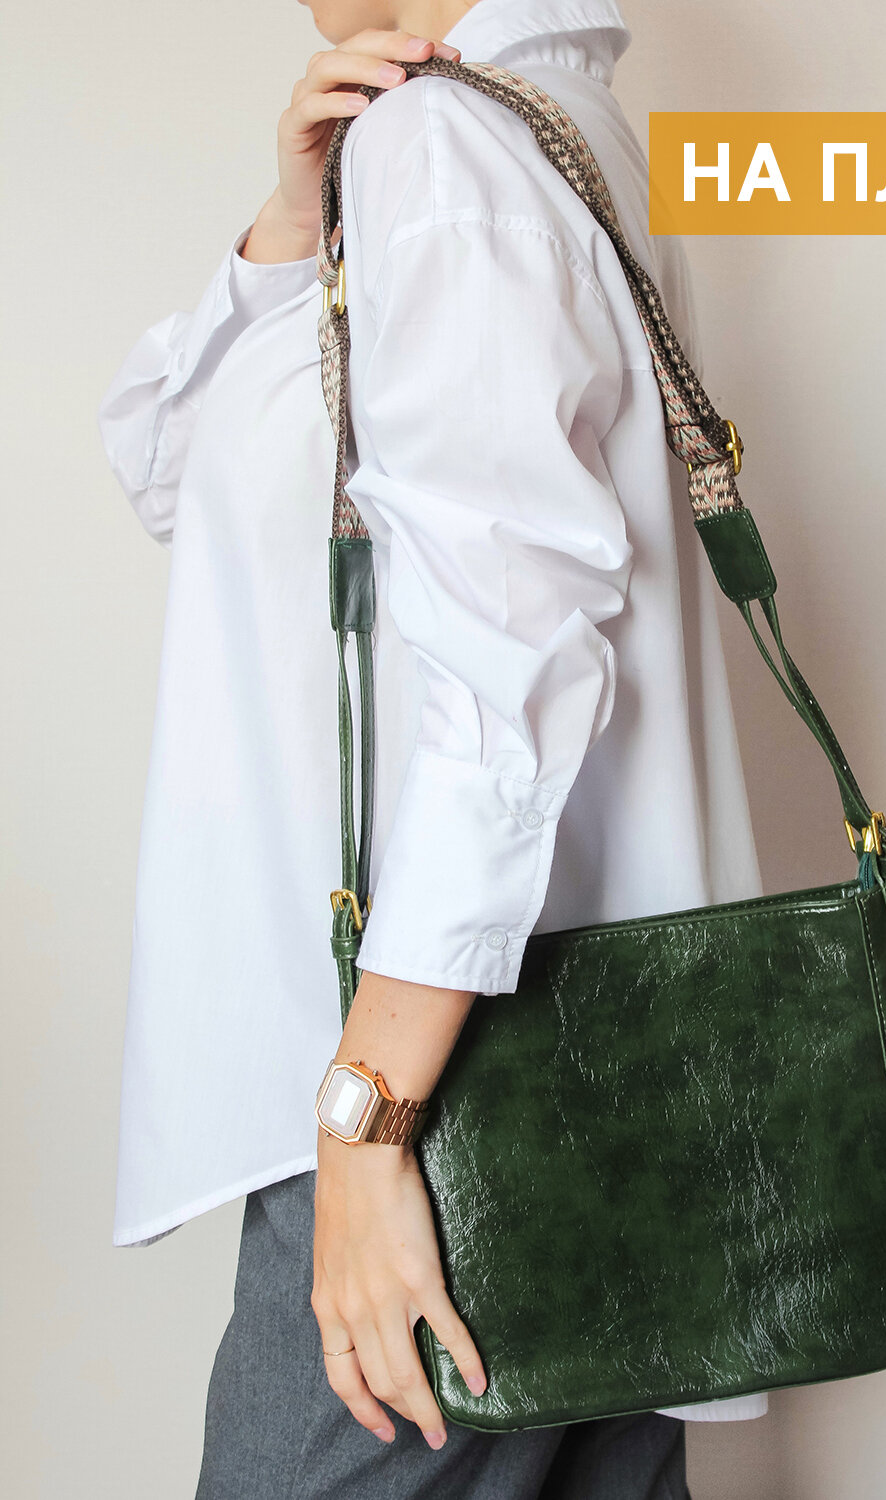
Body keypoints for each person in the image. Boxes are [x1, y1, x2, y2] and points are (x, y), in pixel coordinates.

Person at [97, 0, 769, 1494]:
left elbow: (514, 662)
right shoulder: (548, 126)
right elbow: (168, 468)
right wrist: (295, 224)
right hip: (610, 1055)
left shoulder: (449, 142)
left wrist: (368, 1122)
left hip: (436, 1076)